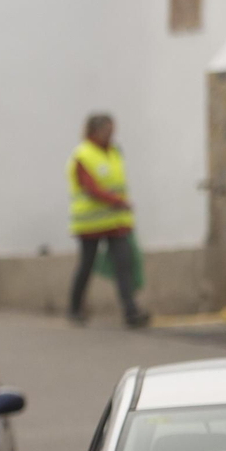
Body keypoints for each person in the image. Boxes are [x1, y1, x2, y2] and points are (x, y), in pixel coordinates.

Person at [67, 113, 150, 327]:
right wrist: (115, 201)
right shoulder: (83, 155)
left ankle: (131, 312)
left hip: (116, 222)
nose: (112, 134)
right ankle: (74, 308)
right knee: (86, 265)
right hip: (91, 223)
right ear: (95, 131)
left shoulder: (114, 152)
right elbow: (90, 187)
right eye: (108, 130)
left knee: (124, 266)